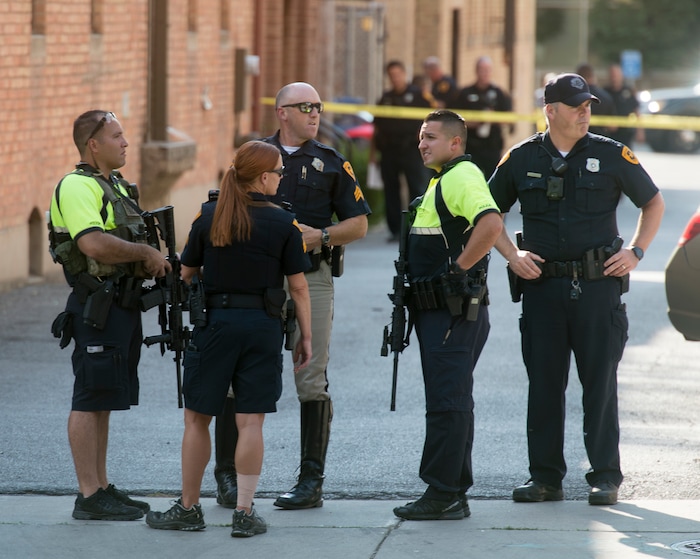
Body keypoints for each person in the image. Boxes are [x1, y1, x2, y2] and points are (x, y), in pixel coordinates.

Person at [488, 73, 665, 506]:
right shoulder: (521, 157)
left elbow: (653, 202)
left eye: (588, 104)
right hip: (543, 290)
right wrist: (512, 255)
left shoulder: (610, 154)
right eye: (575, 105)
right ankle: (545, 478)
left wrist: (637, 251)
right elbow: (488, 211)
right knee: (544, 387)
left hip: (597, 289)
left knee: (599, 386)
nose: (585, 111)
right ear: (550, 110)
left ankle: (605, 476)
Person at [212, 82, 371, 511]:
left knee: (311, 377)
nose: (315, 113)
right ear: (282, 112)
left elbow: (358, 224)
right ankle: (226, 476)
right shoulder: (255, 156)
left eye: (318, 106)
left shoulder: (331, 162)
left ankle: (310, 481)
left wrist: (321, 235)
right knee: (233, 376)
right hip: (253, 279)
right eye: (306, 107)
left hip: (311, 276)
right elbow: (222, 207)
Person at [146, 141, 313, 537]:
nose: (282, 178)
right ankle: (244, 512)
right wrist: (306, 335)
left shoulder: (208, 217)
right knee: (250, 420)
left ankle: (188, 508)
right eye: (279, 172)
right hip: (263, 327)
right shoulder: (283, 223)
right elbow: (300, 287)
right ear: (263, 177)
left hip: (215, 325)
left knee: (196, 418)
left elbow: (184, 275)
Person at [48, 110, 171, 520]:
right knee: (89, 395)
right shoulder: (78, 186)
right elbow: (93, 244)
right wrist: (145, 253)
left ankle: (100, 486)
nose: (125, 142)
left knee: (103, 397)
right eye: (116, 136)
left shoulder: (113, 184)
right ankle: (88, 495)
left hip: (120, 303)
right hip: (96, 306)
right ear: (93, 144)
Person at [393, 110, 503, 521]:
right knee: (452, 400)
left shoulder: (460, 176)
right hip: (443, 314)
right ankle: (453, 490)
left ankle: (442, 493)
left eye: (431, 137)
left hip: (451, 313)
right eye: (421, 137)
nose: (422, 144)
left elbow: (490, 224)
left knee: (447, 402)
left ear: (455, 143)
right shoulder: (442, 179)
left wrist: (456, 272)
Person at [373, 60, 434, 242]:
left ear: (404, 74)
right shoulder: (386, 98)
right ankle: (395, 230)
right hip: (390, 150)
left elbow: (432, 119)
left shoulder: (418, 96)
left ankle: (417, 228)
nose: (395, 78)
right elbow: (376, 126)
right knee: (391, 190)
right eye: (392, 75)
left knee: (417, 188)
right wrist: (373, 153)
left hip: (411, 149)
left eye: (398, 74)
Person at [455, 56, 513, 179]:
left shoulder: (499, 93)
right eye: (481, 69)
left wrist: (492, 119)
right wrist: (474, 122)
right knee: (470, 179)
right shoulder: (465, 93)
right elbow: (456, 118)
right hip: (471, 146)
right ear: (476, 71)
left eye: (487, 69)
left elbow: (509, 118)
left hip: (492, 146)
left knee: (492, 180)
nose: (484, 73)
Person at [575, 63, 617, 136]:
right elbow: (613, 126)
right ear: (593, 76)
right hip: (601, 141)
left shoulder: (573, 97)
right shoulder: (606, 97)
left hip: (577, 139)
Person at [604, 63, 640, 147]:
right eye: (612, 75)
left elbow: (636, 111)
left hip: (626, 134)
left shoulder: (629, 91)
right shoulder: (604, 92)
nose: (614, 78)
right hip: (609, 134)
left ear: (621, 76)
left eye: (616, 75)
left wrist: (639, 132)